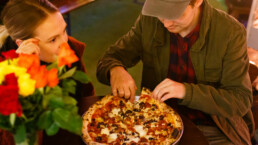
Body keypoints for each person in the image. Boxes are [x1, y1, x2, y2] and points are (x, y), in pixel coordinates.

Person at [97, 0, 255, 144]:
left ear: (197, 2)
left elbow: (240, 99)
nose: (166, 23)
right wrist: (115, 69)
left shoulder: (230, 32)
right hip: (155, 122)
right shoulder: (149, 21)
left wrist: (186, 91)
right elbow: (110, 58)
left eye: (174, 14)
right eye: (160, 12)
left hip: (213, 127)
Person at [0, 0, 94, 145]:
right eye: (52, 40)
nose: (64, 43)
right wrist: (24, 78)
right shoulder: (5, 78)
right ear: (24, 44)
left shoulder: (71, 48)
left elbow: (86, 96)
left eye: (64, 30)